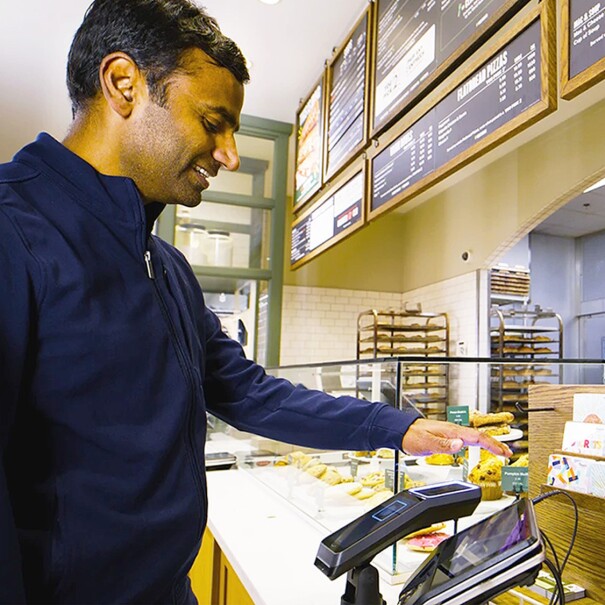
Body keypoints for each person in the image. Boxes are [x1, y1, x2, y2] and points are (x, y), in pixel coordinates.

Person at [0, 1, 511, 603]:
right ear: (123, 84)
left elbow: (246, 392)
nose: (229, 154)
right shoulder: (15, 232)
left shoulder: (165, 266)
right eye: (213, 121)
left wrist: (400, 428)